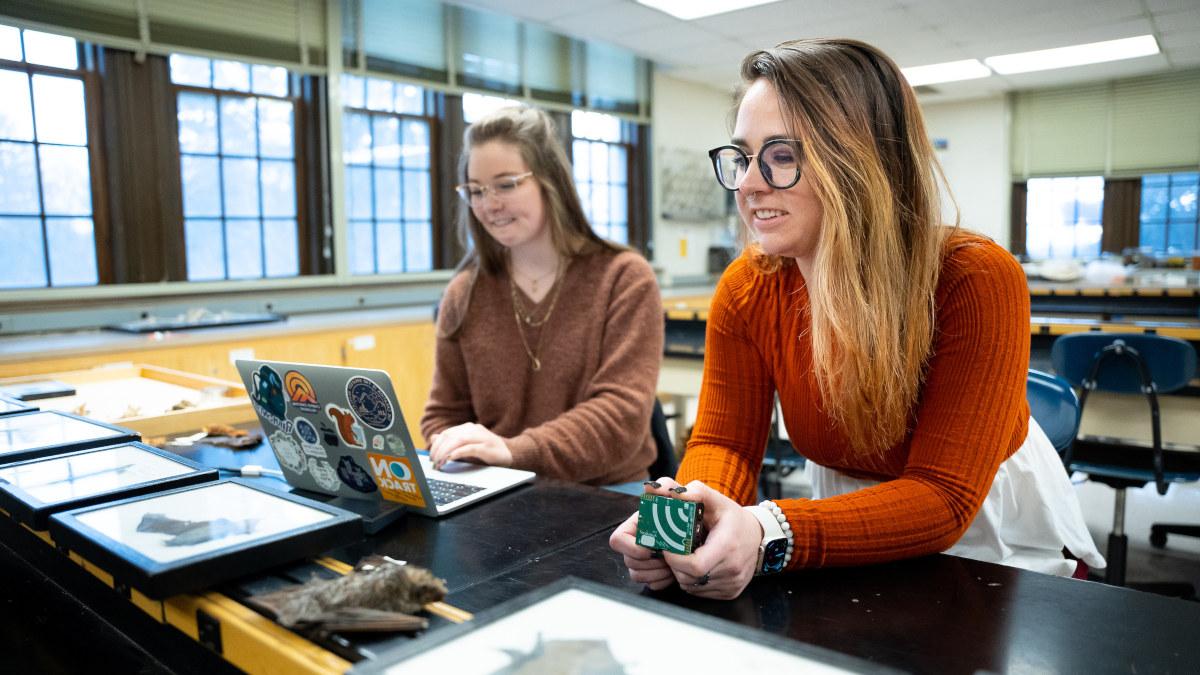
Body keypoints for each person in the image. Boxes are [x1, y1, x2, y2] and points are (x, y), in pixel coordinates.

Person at [609, 38, 1104, 599]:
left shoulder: (975, 278)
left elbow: (943, 497)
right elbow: (724, 442)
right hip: (846, 514)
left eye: (782, 156)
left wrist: (765, 528)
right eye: (743, 156)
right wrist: (694, 517)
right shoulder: (749, 286)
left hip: (987, 534)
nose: (747, 183)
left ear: (860, 162)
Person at [420, 106, 663, 487]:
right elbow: (442, 416)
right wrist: (454, 447)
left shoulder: (623, 278)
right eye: (476, 190)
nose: (488, 204)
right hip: (495, 488)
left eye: (506, 184)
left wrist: (513, 452)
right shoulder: (464, 292)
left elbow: (621, 417)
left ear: (550, 181)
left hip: (608, 492)